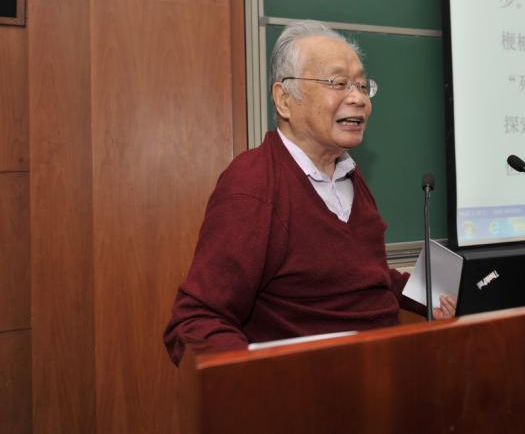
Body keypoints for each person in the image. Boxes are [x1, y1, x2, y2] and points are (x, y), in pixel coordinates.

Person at [163, 20, 454, 365]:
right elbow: (196, 320)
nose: (358, 98)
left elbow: (364, 275)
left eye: (362, 85)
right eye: (338, 83)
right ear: (284, 99)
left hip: (386, 375)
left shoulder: (349, 176)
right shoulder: (253, 185)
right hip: (309, 389)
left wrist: (427, 295)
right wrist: (258, 382)